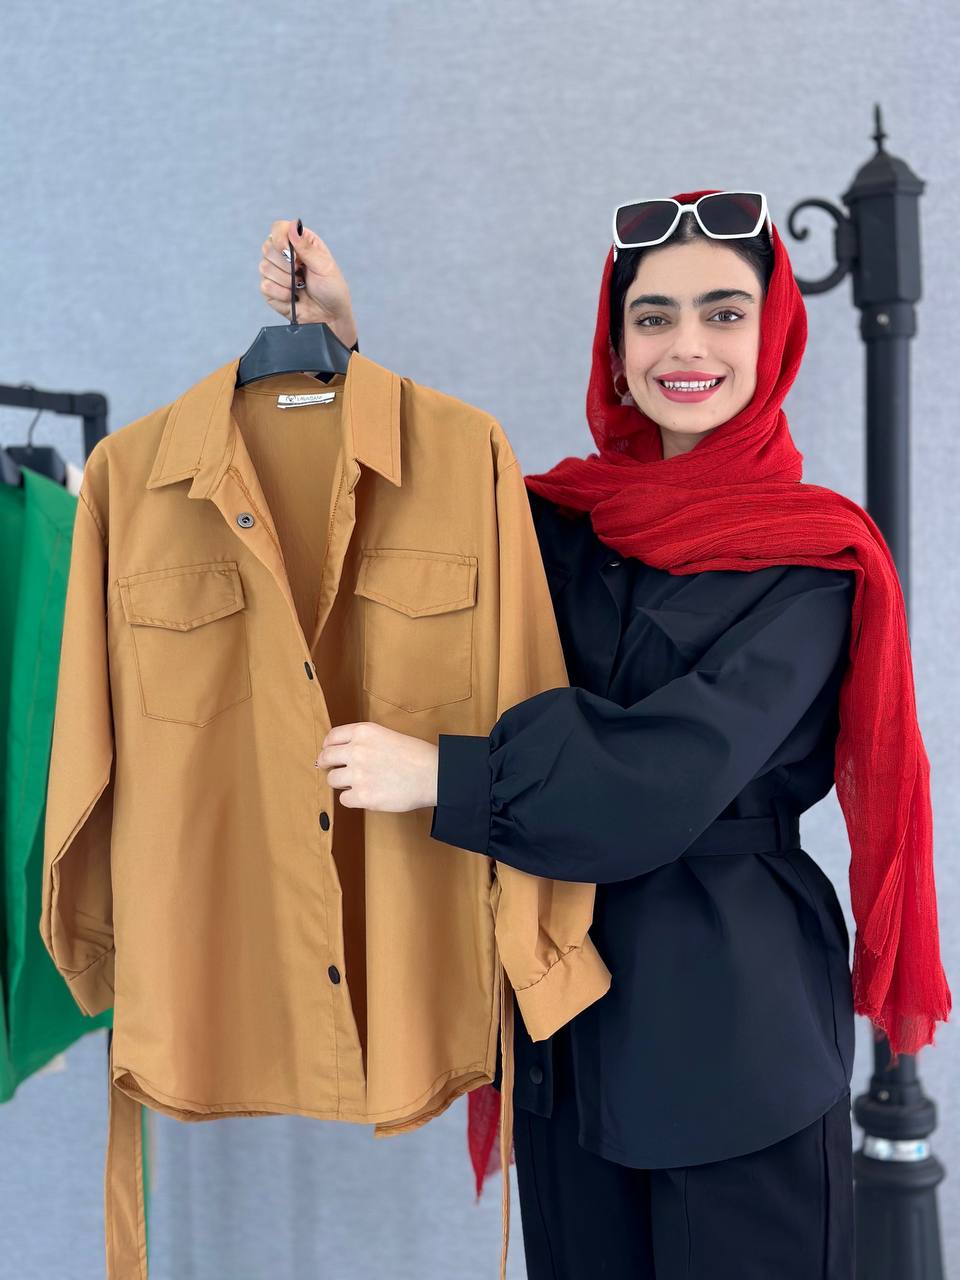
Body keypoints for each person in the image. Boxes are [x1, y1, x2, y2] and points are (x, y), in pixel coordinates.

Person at [257, 190, 951, 1279]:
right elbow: (414, 523)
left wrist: (444, 775)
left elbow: (663, 775)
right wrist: (342, 346)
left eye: (724, 313)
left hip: (737, 1044)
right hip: (566, 1030)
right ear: (617, 350)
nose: (687, 345)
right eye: (653, 317)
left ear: (771, 336)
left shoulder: (813, 560)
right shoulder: (563, 523)